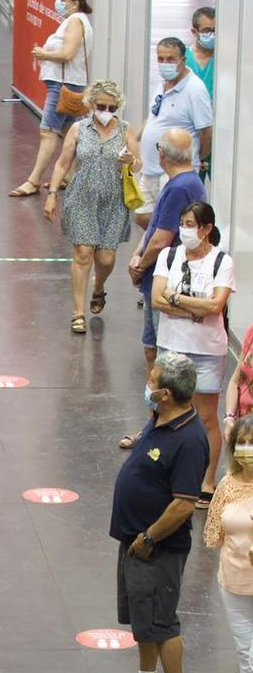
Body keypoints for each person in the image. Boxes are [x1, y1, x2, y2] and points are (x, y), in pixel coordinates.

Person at [107, 353, 209, 673]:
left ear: (166, 393)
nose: (147, 385)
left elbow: (184, 504)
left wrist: (150, 537)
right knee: (142, 618)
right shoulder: (162, 418)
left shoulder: (191, 441)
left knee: (162, 622)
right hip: (136, 541)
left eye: (152, 381)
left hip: (158, 547)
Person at [124, 129, 207, 445]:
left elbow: (161, 238)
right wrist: (138, 256)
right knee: (153, 352)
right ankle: (153, 426)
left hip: (163, 284)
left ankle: (161, 429)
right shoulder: (185, 183)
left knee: (163, 360)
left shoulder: (179, 189)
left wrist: (139, 265)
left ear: (162, 154)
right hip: (155, 280)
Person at [150, 202, 234, 497]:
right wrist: (191, 310)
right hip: (171, 347)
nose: (185, 230)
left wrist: (174, 299)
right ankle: (162, 473)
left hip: (207, 351)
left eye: (191, 225)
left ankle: (207, 479)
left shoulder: (222, 262)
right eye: (182, 223)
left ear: (207, 229)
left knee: (207, 417)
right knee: (162, 410)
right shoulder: (168, 256)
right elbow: (156, 299)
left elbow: (215, 305)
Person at [44, 79, 139, 334]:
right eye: (101, 106)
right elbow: (63, 163)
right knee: (83, 253)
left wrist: (131, 161)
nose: (106, 112)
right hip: (82, 197)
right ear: (91, 104)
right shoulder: (78, 129)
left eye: (111, 107)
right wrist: (52, 193)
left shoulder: (125, 130)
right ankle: (78, 312)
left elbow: (138, 164)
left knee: (106, 258)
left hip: (113, 201)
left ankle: (98, 287)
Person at [10, 0, 94, 198]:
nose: (58, 2)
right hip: (69, 83)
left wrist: (43, 54)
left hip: (63, 85)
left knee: (48, 132)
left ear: (75, 3)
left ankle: (33, 180)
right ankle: (70, 175)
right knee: (69, 133)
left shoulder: (75, 22)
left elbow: (67, 53)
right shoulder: (76, 21)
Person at [205, 416, 253, 673]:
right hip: (234, 583)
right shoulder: (226, 485)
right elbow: (215, 535)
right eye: (243, 443)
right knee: (248, 657)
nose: (247, 451)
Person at [138, 39, 213, 208]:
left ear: (183, 60)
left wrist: (197, 157)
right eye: (161, 59)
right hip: (151, 168)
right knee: (142, 215)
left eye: (170, 59)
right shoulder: (162, 85)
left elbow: (207, 131)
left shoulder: (195, 89)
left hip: (174, 172)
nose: (165, 64)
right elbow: (153, 116)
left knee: (170, 221)